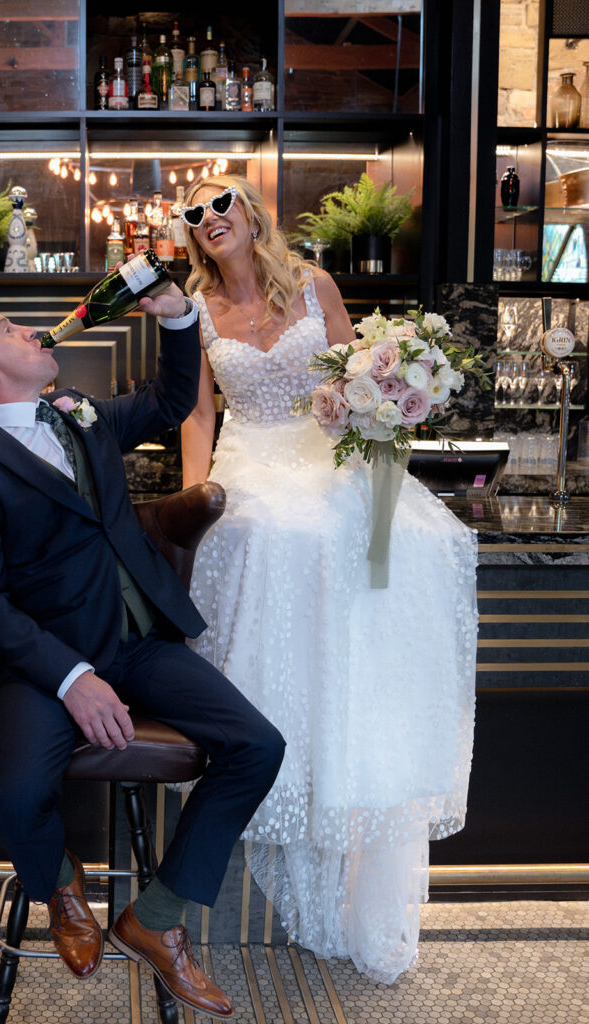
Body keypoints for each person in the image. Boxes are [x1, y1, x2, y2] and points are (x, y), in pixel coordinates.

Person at [0, 286, 285, 1019]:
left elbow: (172, 398)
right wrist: (71, 676)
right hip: (46, 661)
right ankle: (58, 880)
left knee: (257, 744)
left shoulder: (81, 416)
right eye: (6, 327)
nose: (28, 327)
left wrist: (179, 318)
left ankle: (155, 916)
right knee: (20, 794)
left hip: (139, 640)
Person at [179, 175, 478, 984]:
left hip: (323, 455)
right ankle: (269, 747)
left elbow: (356, 378)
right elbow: (198, 411)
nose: (208, 219)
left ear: (249, 213)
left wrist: (370, 407)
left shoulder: (313, 283)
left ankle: (355, 738)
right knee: (262, 533)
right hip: (252, 459)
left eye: (220, 203)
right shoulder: (193, 308)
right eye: (192, 212)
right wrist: (191, 499)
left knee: (378, 539)